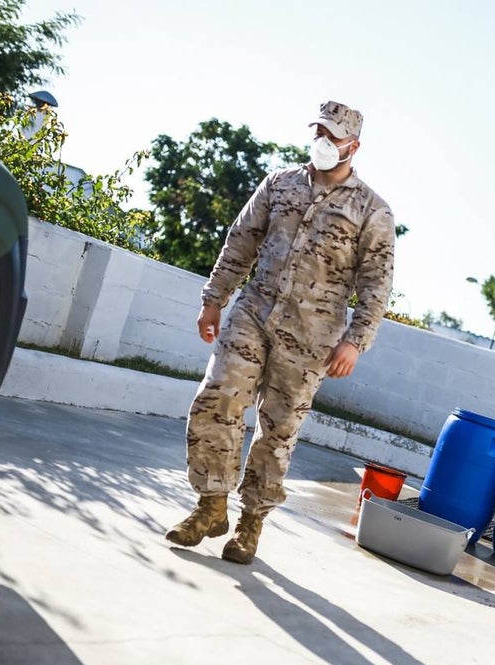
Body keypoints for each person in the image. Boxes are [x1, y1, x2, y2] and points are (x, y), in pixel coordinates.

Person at [165, 101, 395, 565]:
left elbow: (377, 282)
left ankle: (251, 522)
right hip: (254, 312)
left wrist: (355, 340)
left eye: (334, 136)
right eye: (319, 132)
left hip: (312, 337)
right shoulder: (280, 183)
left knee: (279, 429)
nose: (324, 143)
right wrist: (214, 299)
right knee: (218, 397)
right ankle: (211, 505)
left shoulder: (372, 210)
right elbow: (241, 240)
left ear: (354, 145)